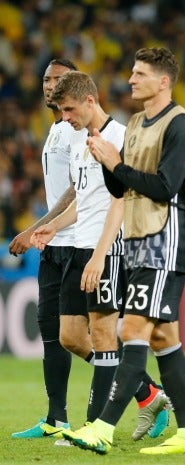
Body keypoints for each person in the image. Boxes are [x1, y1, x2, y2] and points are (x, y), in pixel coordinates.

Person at [60, 47, 185, 455]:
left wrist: (115, 162)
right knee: (163, 338)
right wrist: (108, 164)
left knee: (132, 329)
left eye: (139, 74)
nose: (131, 79)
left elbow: (164, 187)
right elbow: (121, 189)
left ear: (163, 81)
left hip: (166, 239)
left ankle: (102, 427)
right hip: (139, 241)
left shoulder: (180, 125)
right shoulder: (138, 122)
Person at [30, 70, 170, 440]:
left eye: (69, 110)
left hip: (108, 249)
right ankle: (148, 393)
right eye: (61, 112)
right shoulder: (79, 140)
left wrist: (100, 255)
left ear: (90, 101)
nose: (65, 118)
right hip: (81, 246)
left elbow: (119, 203)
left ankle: (95, 427)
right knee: (71, 336)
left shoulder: (120, 139)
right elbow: (84, 197)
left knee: (105, 335)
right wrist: (54, 226)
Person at [9, 58, 85, 444]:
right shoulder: (56, 128)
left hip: (75, 241)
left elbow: (77, 187)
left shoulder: (75, 129)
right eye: (45, 79)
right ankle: (57, 417)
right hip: (53, 244)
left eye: (57, 79)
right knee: (51, 332)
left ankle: (147, 392)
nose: (48, 84)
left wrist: (36, 226)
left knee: (80, 336)